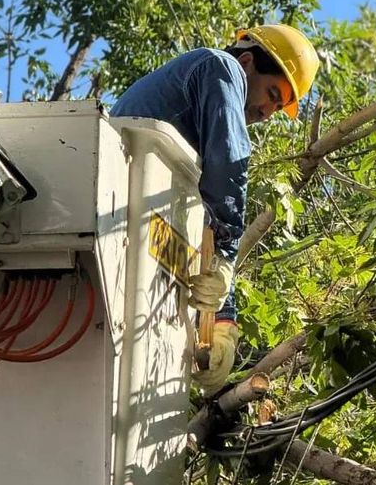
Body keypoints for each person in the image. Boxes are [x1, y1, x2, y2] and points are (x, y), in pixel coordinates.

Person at [110, 24, 320, 395]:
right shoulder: (220, 67)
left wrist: (224, 322)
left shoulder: (186, 160)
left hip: (135, 242)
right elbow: (229, 167)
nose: (268, 112)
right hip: (121, 223)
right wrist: (225, 256)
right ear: (248, 61)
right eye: (273, 94)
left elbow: (209, 216)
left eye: (279, 106)